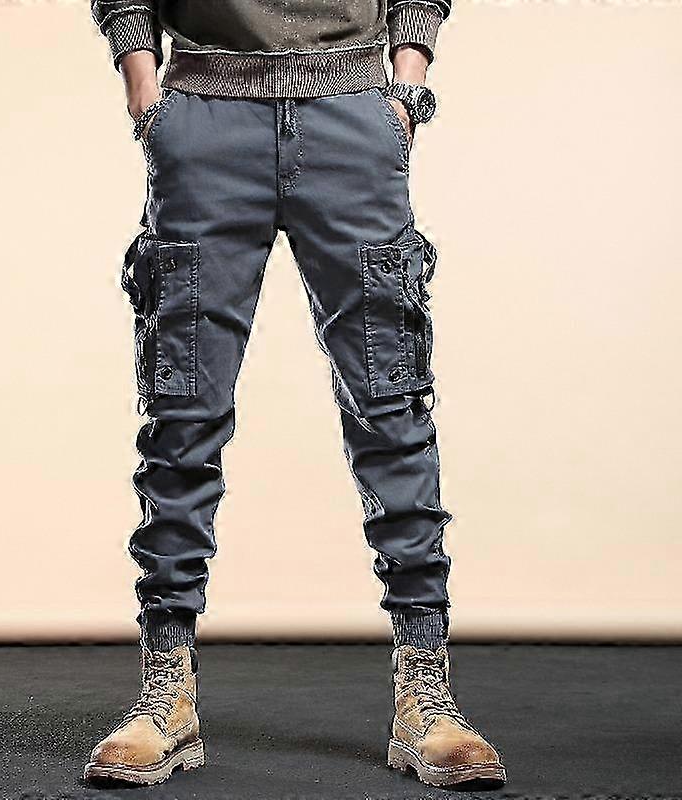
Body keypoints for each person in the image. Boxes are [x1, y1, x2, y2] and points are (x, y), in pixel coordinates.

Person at [83, 0, 507, 789]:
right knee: (182, 410)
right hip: (205, 119)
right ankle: (166, 691)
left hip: (352, 116)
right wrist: (146, 93)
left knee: (391, 404)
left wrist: (406, 89)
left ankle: (425, 692)